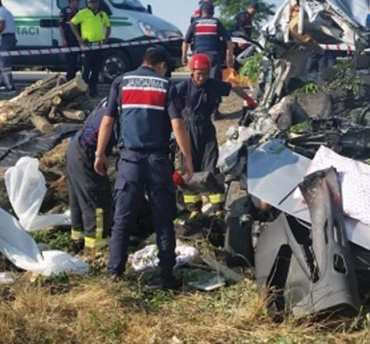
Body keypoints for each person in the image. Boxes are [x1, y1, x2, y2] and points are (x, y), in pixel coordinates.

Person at [94, 46, 194, 289]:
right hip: (158, 162)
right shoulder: (165, 85)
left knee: (121, 221)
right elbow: (178, 125)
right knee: (163, 221)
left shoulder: (121, 82)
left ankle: (115, 275)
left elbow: (107, 122)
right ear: (161, 65)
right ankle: (167, 278)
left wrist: (100, 154)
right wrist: (187, 158)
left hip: (129, 161)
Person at [175, 53, 257, 218]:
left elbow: (232, 86)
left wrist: (249, 100)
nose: (202, 77)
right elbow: (168, 104)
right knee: (189, 170)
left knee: (210, 165)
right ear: (192, 71)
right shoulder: (182, 88)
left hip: (206, 128)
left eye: (205, 74)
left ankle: (218, 206)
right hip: (187, 130)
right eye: (199, 74)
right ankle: (194, 209)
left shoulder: (212, 85)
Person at [66, 98, 115, 253]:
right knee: (97, 200)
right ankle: (96, 249)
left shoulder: (106, 105)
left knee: (78, 199)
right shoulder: (115, 113)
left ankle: (78, 241)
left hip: (76, 148)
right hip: (87, 154)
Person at [71, 0, 111, 97]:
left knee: (96, 70)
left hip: (98, 46)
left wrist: (106, 38)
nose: (94, 4)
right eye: (92, 2)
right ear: (88, 3)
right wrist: (78, 37)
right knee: (86, 71)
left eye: (96, 2)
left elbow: (108, 26)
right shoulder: (83, 13)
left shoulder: (102, 14)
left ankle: (93, 92)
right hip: (87, 46)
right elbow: (72, 23)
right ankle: (82, 93)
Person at [59, 0, 82, 80]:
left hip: (77, 40)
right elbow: (61, 26)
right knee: (70, 62)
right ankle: (69, 80)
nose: (78, 3)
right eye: (77, 1)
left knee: (77, 62)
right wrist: (63, 39)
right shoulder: (64, 11)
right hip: (69, 39)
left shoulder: (79, 12)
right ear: (72, 1)